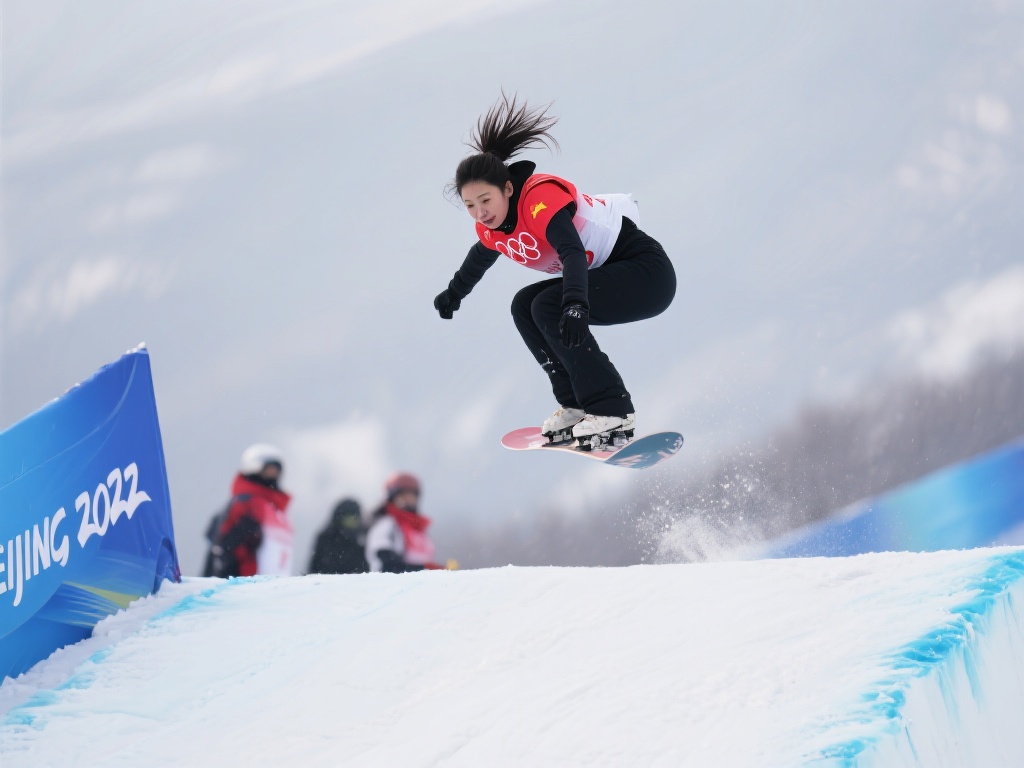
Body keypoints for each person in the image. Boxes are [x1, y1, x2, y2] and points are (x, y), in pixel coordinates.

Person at [433, 94, 676, 450]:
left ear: (508, 189)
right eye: (470, 205)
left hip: (646, 275)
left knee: (548, 304)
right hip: (611, 275)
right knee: (524, 305)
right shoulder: (492, 227)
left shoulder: (539, 199)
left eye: (486, 200)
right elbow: (480, 257)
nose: (480, 213)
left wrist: (575, 304)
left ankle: (613, 412)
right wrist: (454, 293)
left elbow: (572, 252)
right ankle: (576, 406)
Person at [202, 443, 294, 578]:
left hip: (275, 584)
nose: (274, 474)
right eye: (269, 469)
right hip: (245, 583)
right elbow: (221, 545)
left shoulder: (276, 509)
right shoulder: (245, 503)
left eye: (276, 470)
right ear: (254, 468)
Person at [365, 472, 441, 573]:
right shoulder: (386, 525)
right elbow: (387, 566)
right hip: (395, 587)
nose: (409, 500)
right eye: (403, 495)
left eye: (412, 495)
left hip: (420, 586)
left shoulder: (419, 530)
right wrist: (426, 569)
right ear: (392, 497)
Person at [308, 498, 369, 575]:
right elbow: (315, 568)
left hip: (358, 584)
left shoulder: (363, 538)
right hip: (328, 584)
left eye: (354, 519)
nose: (351, 524)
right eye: (348, 519)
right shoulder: (326, 538)